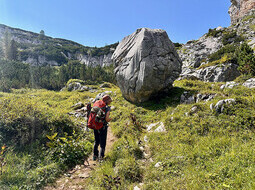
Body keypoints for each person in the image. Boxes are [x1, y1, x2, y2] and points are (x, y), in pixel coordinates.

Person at [93, 95, 112, 161]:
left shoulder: (98, 106)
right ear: (107, 101)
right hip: (103, 127)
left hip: (95, 125)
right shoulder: (107, 108)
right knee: (102, 143)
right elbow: (106, 119)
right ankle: (101, 157)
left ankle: (95, 156)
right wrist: (110, 119)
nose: (110, 102)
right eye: (110, 100)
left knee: (96, 141)